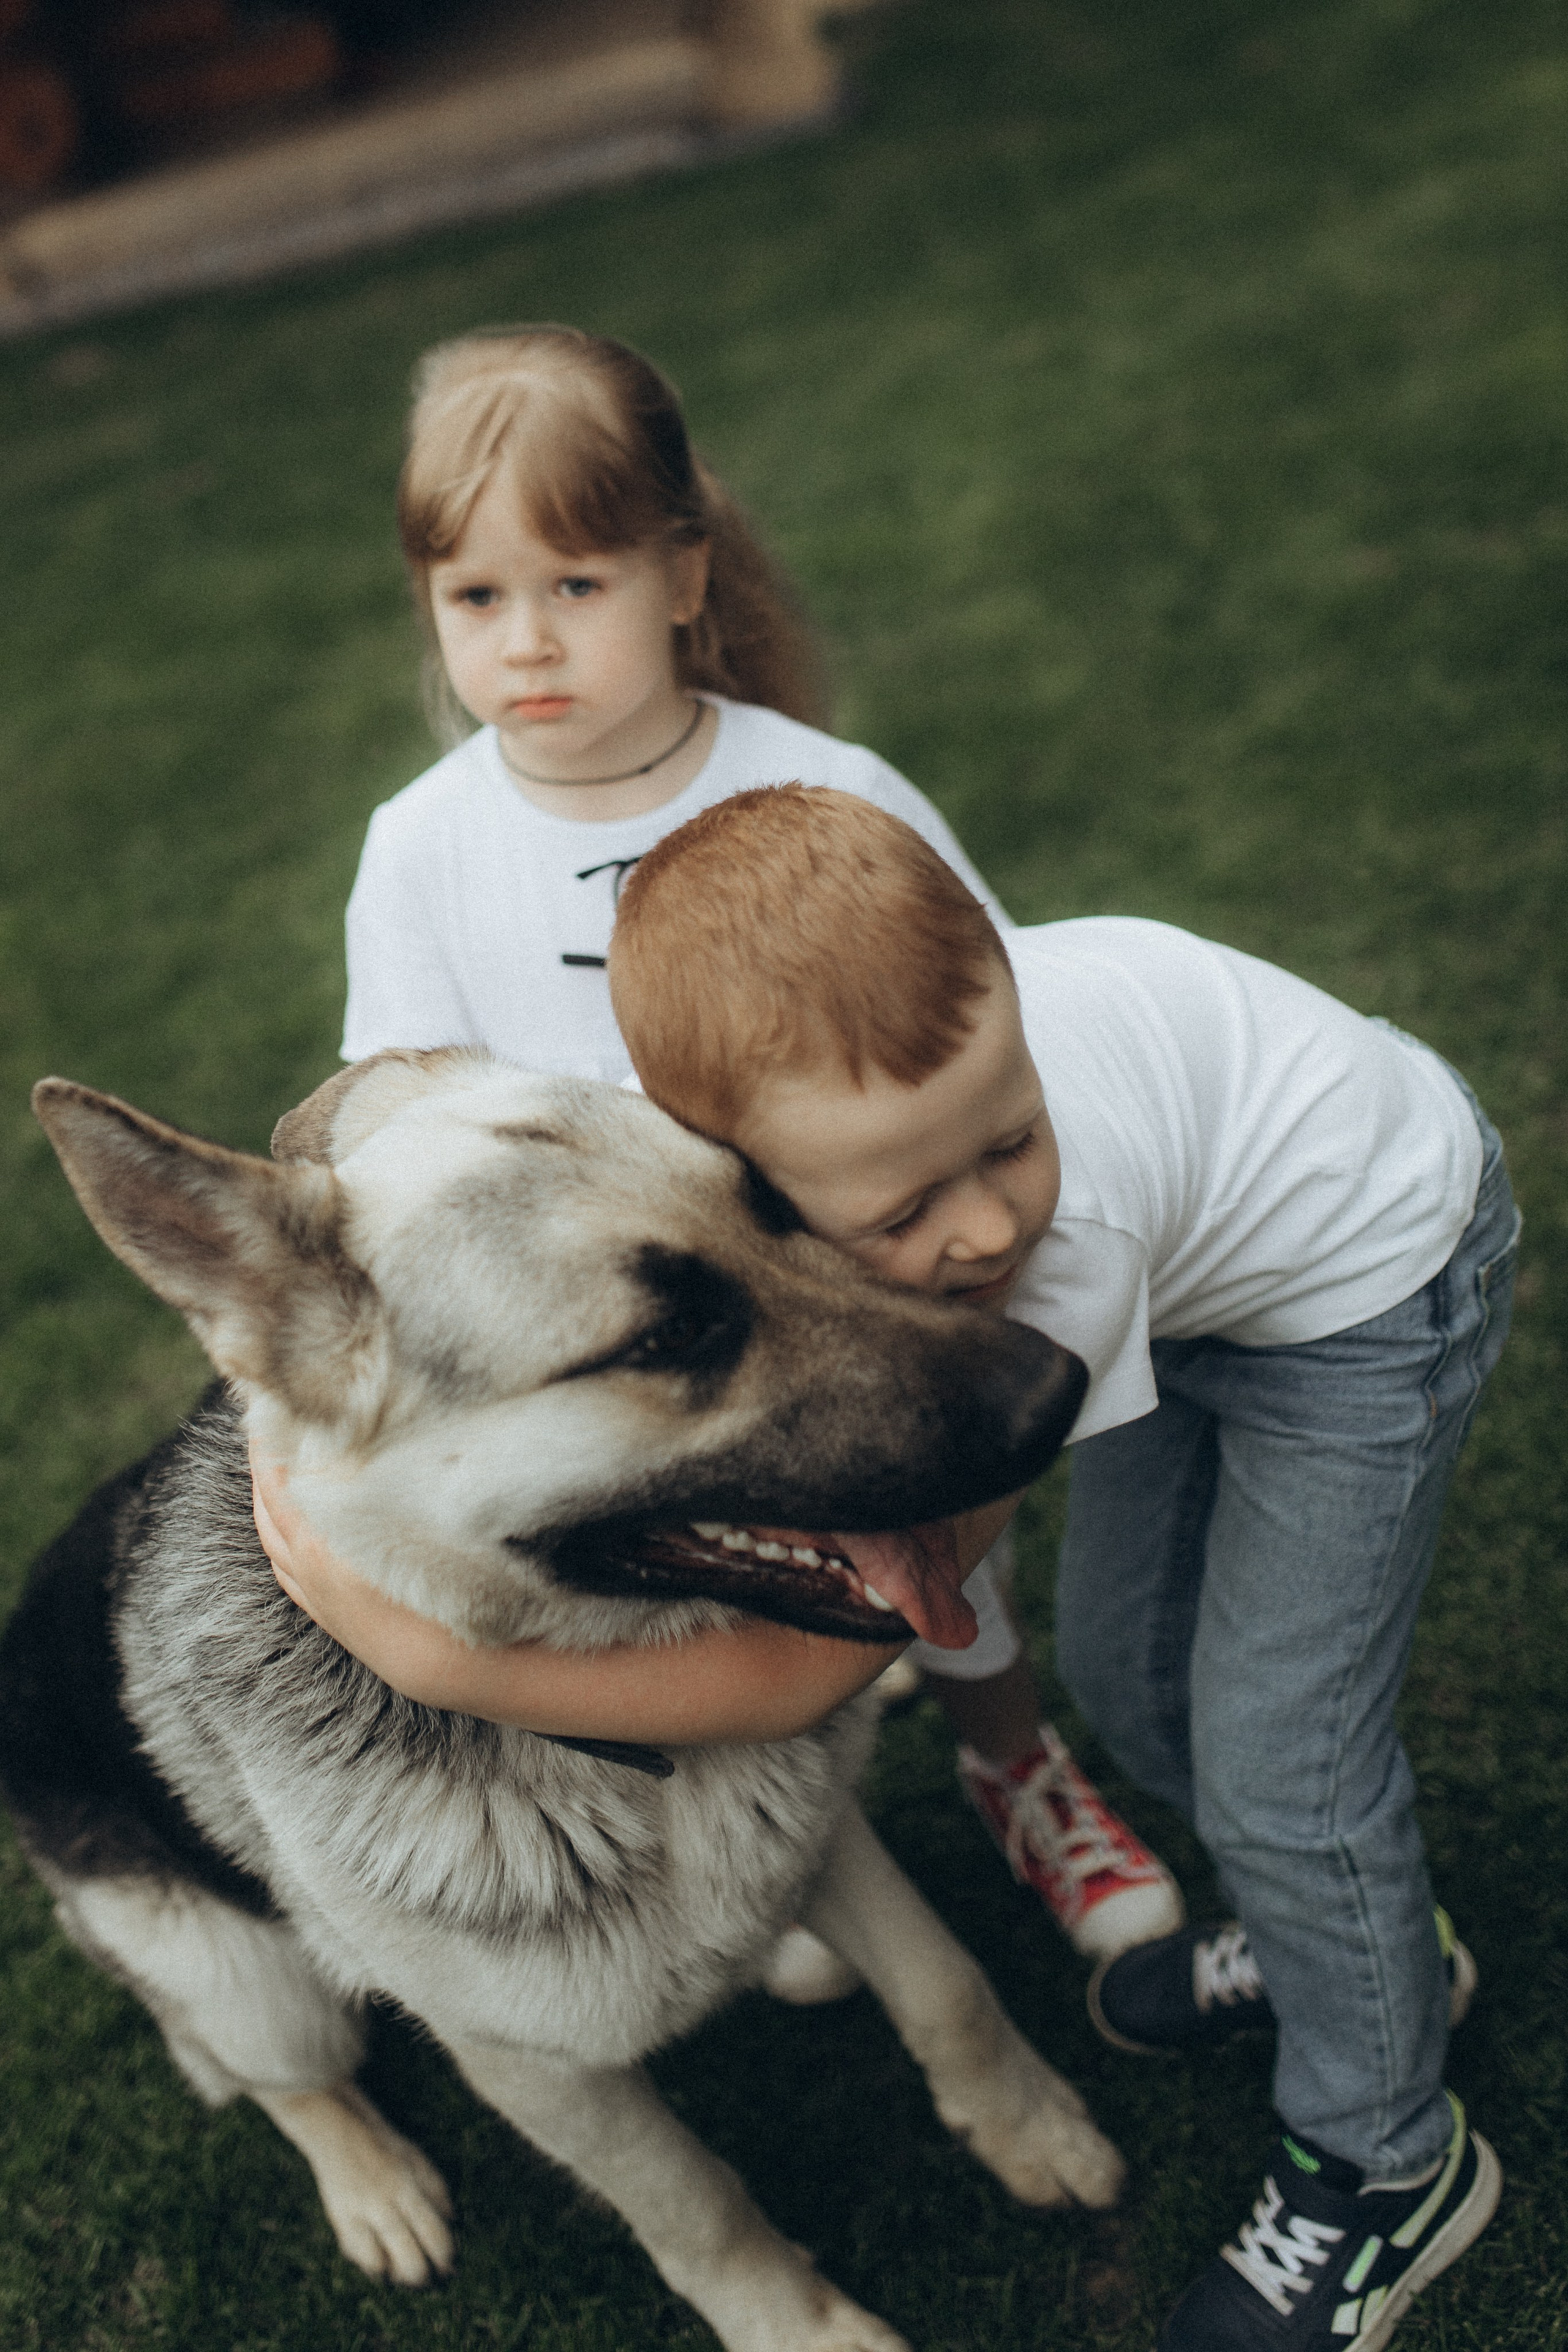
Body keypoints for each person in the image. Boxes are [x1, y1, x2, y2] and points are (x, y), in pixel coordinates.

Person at [262, 785, 1515, 2350]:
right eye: (901, 1208)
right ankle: (1357, 1953)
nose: (980, 1229)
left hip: (1365, 1283)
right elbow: (367, 1122)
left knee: (1284, 1765)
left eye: (1009, 1140)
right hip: (1208, 1283)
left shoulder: (1052, 1249)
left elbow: (821, 1668)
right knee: (1127, 1671)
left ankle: (1388, 2155)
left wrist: (441, 1663)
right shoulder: (679, 1154)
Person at [322, 321, 1177, 1966]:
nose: (526, 642)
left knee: (928, 1543)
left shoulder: (819, 782)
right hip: (653, 1334)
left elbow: (983, 1008)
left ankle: (1013, 1764)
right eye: (476, 597)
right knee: (693, 1575)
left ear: (685, 573)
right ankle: (781, 1856)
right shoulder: (425, 846)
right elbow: (405, 1097)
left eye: (576, 585)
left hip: (855, 1271)